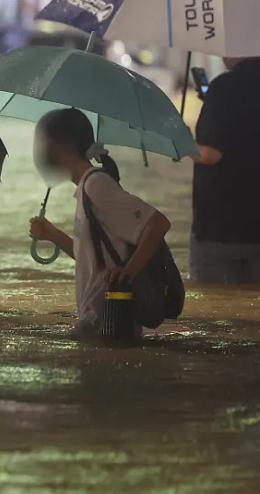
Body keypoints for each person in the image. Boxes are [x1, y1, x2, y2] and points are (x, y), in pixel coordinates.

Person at [27, 109, 171, 337]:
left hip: (112, 324)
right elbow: (94, 257)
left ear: (63, 145)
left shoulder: (96, 185)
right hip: (96, 323)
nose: (40, 151)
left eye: (44, 141)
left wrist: (128, 274)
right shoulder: (86, 188)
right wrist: (54, 235)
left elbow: (158, 223)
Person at [190, 57, 260, 284]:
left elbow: (210, 154)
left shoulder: (222, 88)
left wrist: (178, 142)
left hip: (219, 225)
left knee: (215, 310)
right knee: (257, 304)